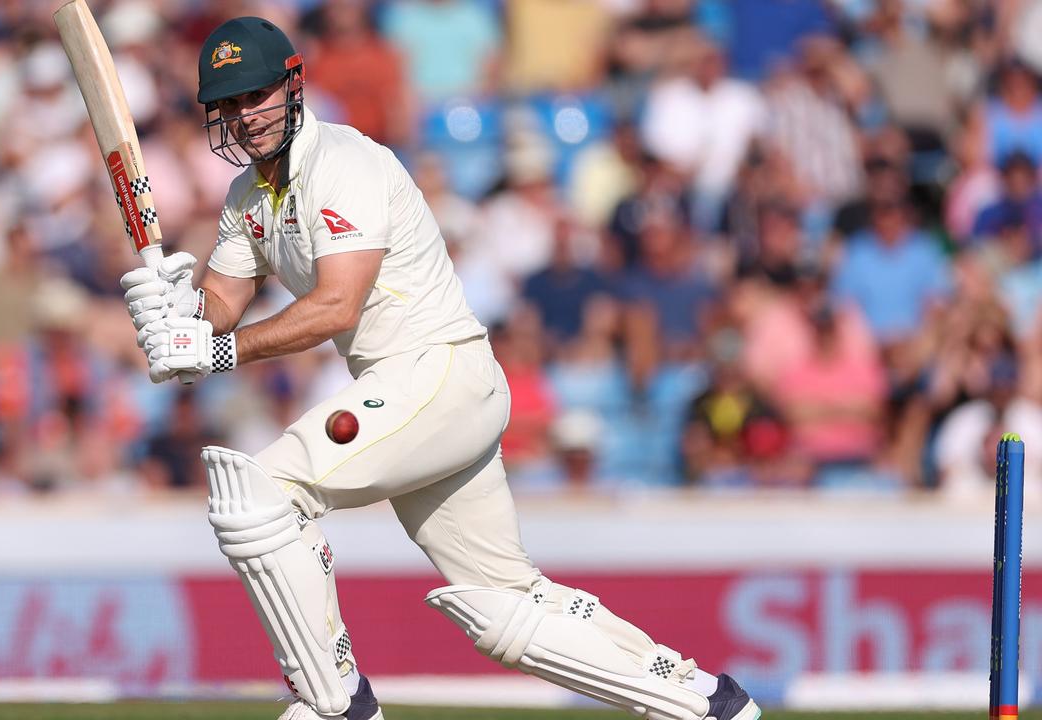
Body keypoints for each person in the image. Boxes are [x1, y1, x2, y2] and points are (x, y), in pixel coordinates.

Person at [116, 17, 760, 720]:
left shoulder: (344, 164)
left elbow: (336, 306)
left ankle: (336, 703)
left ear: (293, 85)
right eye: (231, 104)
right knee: (504, 608)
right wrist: (176, 311)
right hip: (418, 392)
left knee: (259, 496)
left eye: (258, 95)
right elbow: (220, 307)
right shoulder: (248, 199)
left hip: (435, 373)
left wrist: (212, 350)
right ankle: (708, 703)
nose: (246, 116)